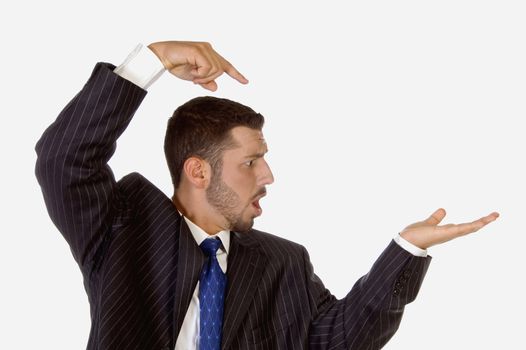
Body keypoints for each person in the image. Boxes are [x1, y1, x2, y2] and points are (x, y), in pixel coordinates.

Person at [35, 40, 499, 350]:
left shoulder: (282, 263)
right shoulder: (123, 228)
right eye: (251, 162)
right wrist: (150, 60)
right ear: (198, 171)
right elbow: (63, 160)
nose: (269, 175)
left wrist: (407, 249)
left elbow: (335, 340)